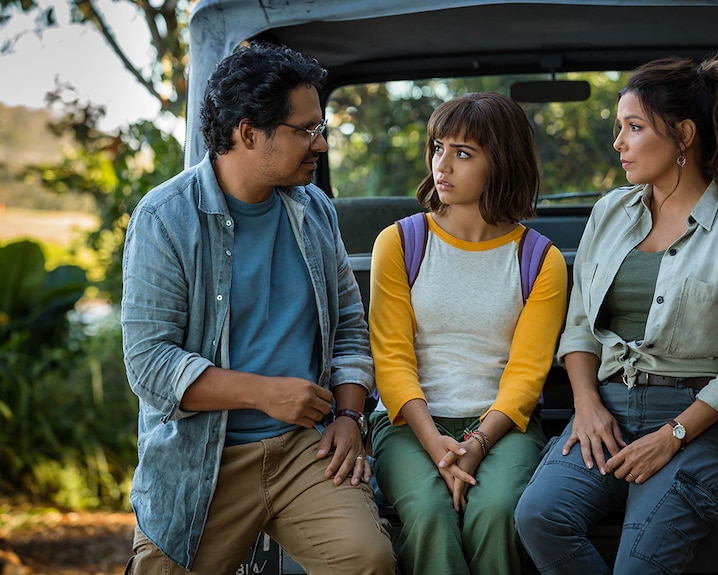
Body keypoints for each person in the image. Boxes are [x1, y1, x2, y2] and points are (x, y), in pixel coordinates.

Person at [120, 42, 395, 575]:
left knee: (369, 560)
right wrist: (265, 393)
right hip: (202, 459)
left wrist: (348, 415)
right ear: (248, 133)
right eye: (305, 130)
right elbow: (150, 365)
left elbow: (350, 331)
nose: (321, 143)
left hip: (305, 451)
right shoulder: (163, 219)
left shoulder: (315, 210)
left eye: (321, 127)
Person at [514, 55, 718, 574]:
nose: (619, 143)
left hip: (696, 426)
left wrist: (671, 437)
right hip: (605, 414)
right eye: (620, 128)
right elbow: (579, 329)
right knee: (539, 517)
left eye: (633, 127)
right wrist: (587, 406)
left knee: (638, 565)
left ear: (682, 134)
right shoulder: (611, 212)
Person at [367, 92, 568, 574]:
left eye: (463, 153)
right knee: (430, 512)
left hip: (503, 428)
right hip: (407, 425)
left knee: (497, 511)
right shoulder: (398, 242)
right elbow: (391, 361)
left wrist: (476, 443)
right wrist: (436, 443)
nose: (443, 165)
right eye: (438, 147)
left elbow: (526, 375)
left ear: (501, 163)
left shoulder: (541, 259)